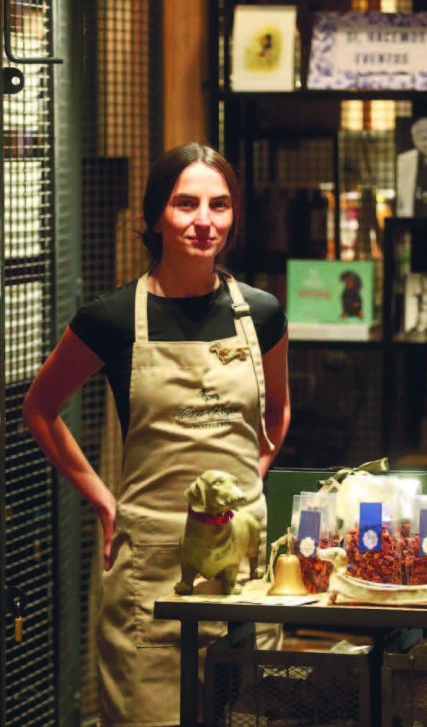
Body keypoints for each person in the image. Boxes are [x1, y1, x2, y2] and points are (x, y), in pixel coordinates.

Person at [23, 143, 291, 726]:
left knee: (245, 716)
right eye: (186, 203)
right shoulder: (113, 318)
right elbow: (40, 408)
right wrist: (101, 497)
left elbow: (278, 413)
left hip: (242, 566)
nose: (204, 220)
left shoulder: (263, 314)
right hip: (152, 566)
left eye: (219, 205)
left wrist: (249, 483)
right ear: (155, 217)